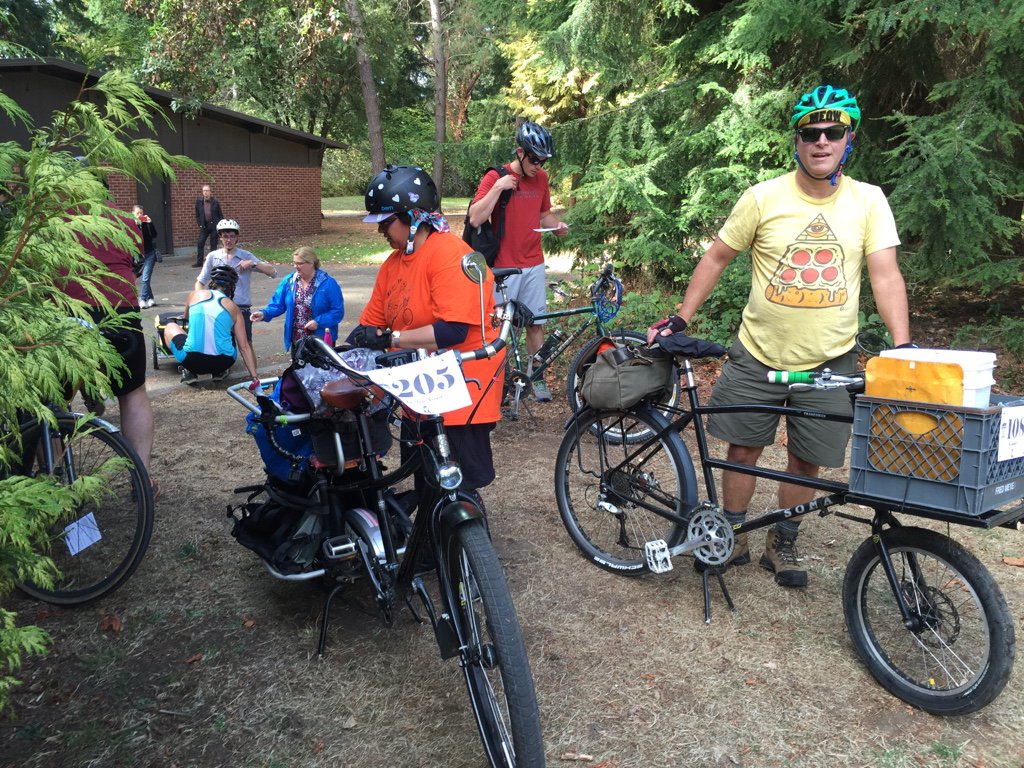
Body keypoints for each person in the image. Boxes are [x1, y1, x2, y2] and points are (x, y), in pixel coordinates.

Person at [649, 85, 911, 588]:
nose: (821, 141)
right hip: (758, 353)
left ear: (848, 140)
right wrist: (681, 317)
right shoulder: (763, 197)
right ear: (797, 140)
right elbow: (717, 258)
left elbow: (885, 275)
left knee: (807, 459)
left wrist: (901, 347)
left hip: (831, 361)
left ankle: (782, 540)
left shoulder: (868, 201)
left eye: (832, 132)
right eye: (810, 133)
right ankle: (735, 532)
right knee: (743, 449)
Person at [356, 164, 503, 503]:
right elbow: (368, 328)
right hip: (417, 394)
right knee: (425, 483)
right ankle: (433, 552)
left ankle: (465, 551)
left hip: (461, 393)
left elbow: (452, 330)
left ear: (413, 216)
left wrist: (390, 339)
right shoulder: (393, 265)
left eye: (385, 221)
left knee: (457, 488)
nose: (380, 230)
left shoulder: (451, 254)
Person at [467, 120, 568, 402]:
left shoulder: (542, 178)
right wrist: (498, 188)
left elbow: (543, 214)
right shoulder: (495, 176)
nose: (538, 165)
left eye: (544, 160)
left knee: (535, 323)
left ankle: (535, 375)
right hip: (503, 267)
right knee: (500, 327)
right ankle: (498, 381)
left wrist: (557, 226)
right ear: (520, 152)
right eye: (534, 158)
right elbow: (475, 217)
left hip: (534, 261)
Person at [60, 208, 157, 495]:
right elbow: (137, 259)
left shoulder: (47, 221)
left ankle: (54, 483)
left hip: (66, 312)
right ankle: (141, 481)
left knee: (52, 401)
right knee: (133, 393)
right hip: (120, 311)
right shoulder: (125, 222)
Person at [164, 266, 260, 386]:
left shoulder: (194, 295)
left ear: (211, 282)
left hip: (191, 360)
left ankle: (189, 371)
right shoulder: (234, 308)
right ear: (232, 288)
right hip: (223, 362)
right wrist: (254, 377)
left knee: (170, 327)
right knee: (230, 332)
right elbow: (244, 346)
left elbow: (187, 318)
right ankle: (219, 372)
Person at [194, 218, 276, 343]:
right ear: (220, 237)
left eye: (232, 236)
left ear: (237, 237)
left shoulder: (246, 255)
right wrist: (201, 299)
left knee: (246, 345)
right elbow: (200, 281)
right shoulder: (213, 256)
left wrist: (253, 263)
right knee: (218, 344)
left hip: (241, 308)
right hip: (218, 307)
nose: (229, 240)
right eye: (225, 236)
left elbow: (273, 272)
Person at [250, 246, 344, 352]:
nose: (296, 266)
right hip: (297, 338)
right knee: (299, 368)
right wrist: (264, 313)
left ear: (311, 263)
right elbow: (278, 304)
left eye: (300, 263)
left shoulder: (328, 283)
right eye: (294, 263)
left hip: (321, 339)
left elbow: (337, 312)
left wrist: (318, 322)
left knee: (321, 368)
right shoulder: (289, 281)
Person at [132, 204, 159, 308]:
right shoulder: (131, 225)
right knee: (145, 278)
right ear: (133, 214)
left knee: (145, 277)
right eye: (137, 213)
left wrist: (150, 223)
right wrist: (135, 225)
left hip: (150, 253)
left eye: (141, 213)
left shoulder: (146, 223)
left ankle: (142, 299)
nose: (139, 215)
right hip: (138, 255)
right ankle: (150, 298)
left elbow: (154, 235)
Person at [193, 184, 223, 267]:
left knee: (213, 244)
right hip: (204, 226)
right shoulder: (199, 202)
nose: (205, 192)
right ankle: (199, 262)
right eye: (204, 191)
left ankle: (213, 262)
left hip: (214, 226)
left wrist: (219, 226)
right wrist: (199, 224)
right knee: (200, 242)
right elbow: (197, 214)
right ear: (202, 192)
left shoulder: (215, 202)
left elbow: (220, 215)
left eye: (207, 191)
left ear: (210, 192)